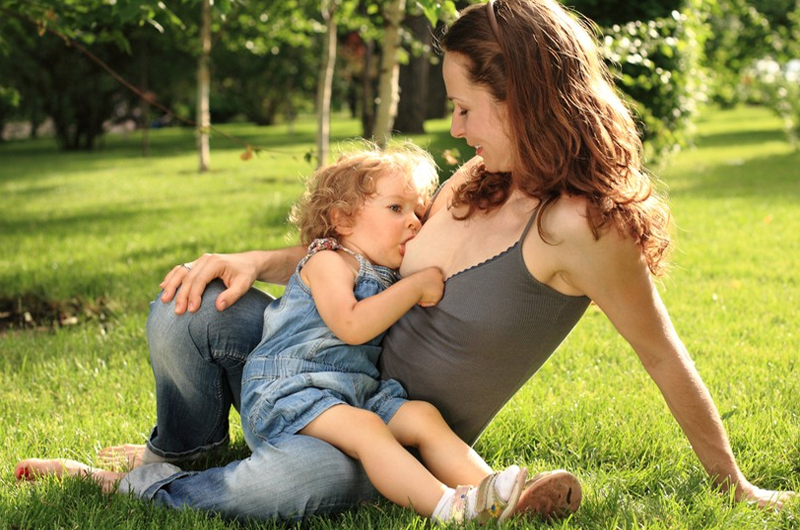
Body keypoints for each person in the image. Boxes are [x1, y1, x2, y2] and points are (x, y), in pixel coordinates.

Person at [15, 0, 793, 522]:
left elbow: (662, 355)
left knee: (292, 481)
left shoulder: (580, 229)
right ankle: (178, 450)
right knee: (185, 308)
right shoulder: (477, 179)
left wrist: (736, 485)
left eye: (463, 106)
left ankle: (138, 485)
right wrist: (260, 257)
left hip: (394, 429)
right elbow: (368, 260)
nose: (453, 129)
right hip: (323, 365)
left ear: (519, 97)